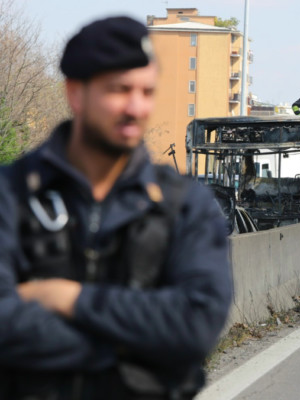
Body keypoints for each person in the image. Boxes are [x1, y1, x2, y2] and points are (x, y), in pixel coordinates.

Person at [0, 16, 232, 399]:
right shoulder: (12, 194)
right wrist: (141, 349)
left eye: (147, 91)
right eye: (120, 90)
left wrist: (68, 299)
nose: (136, 107)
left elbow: (196, 323)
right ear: (76, 93)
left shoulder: (184, 205)